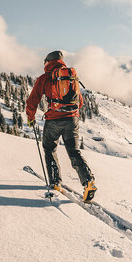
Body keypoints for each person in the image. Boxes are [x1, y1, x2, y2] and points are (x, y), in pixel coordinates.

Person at [26, 50, 97, 202]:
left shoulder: (45, 78)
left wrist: (30, 116)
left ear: (48, 62)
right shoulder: (72, 77)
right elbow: (81, 102)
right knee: (74, 152)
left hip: (54, 120)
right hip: (72, 120)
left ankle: (55, 182)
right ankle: (88, 181)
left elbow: (33, 100)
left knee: (50, 149)